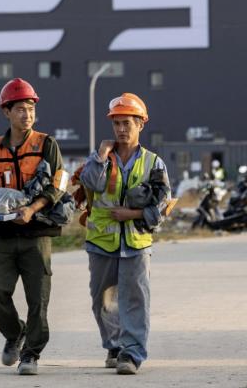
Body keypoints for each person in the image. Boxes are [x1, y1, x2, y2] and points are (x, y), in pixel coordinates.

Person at [0, 78, 64, 376]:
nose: (27, 114)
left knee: (38, 300)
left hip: (36, 235)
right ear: (6, 112)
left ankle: (31, 355)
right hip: (3, 235)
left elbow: (58, 184)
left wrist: (32, 208)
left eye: (31, 108)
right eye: (20, 108)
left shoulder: (46, 144)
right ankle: (15, 333)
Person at [79, 92, 171, 375]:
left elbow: (163, 205)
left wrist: (132, 214)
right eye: (116, 123)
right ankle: (114, 346)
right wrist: (100, 156)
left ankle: (132, 354)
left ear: (141, 124)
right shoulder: (102, 159)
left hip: (136, 243)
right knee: (101, 299)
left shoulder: (153, 163)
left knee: (135, 300)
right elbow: (89, 185)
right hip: (101, 243)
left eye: (127, 123)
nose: (121, 129)